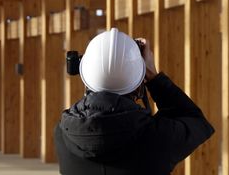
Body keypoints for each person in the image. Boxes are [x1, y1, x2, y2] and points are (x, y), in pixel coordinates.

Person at [54, 28, 215, 175]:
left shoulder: (62, 134)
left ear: (84, 74)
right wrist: (154, 77)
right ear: (138, 80)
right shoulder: (157, 137)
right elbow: (195, 120)